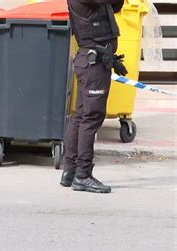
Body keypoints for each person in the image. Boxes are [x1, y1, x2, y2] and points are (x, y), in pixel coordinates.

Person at [61, 0, 128, 193]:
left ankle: (70, 171)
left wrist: (111, 58)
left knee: (81, 116)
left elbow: (114, 7)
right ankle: (83, 175)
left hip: (95, 59)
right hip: (92, 64)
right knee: (91, 117)